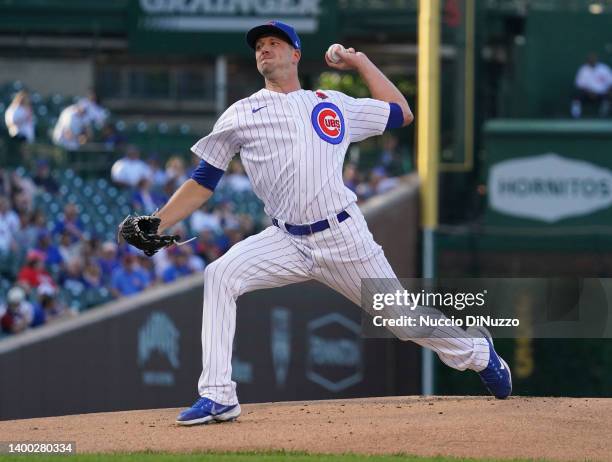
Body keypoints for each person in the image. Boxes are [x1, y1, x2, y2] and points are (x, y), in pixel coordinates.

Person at [121, 20, 511, 426]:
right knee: (220, 274)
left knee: (402, 320)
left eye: (275, 43)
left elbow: (401, 113)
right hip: (285, 239)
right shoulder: (241, 113)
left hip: (343, 236)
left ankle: (479, 354)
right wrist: (156, 220)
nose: (265, 49)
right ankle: (218, 396)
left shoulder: (331, 102)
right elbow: (203, 181)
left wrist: (361, 64)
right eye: (260, 45)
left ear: (295, 55)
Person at [571, 52, 612, 118]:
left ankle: (604, 114)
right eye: (590, 60)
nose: (592, 61)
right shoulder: (583, 70)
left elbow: (610, 83)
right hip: (588, 93)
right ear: (587, 60)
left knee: (609, 95)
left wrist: (608, 91)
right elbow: (579, 85)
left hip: (603, 93)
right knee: (577, 95)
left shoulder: (604, 68)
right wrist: (590, 92)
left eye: (594, 59)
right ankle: (575, 115)